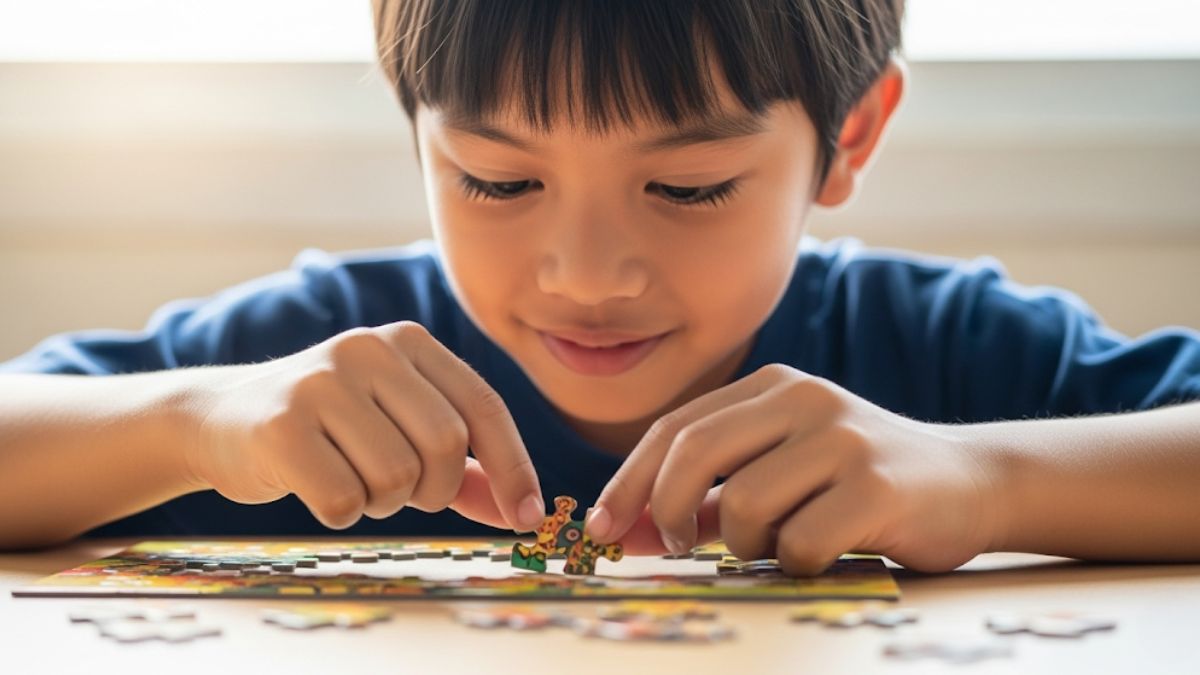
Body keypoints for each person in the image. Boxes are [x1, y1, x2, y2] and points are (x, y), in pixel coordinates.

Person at [1, 0, 1197, 576]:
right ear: (415, 133)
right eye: (497, 179)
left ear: (849, 138)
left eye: (686, 189)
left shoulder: (940, 352)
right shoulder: (308, 359)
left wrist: (988, 481)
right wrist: (196, 422)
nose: (586, 276)